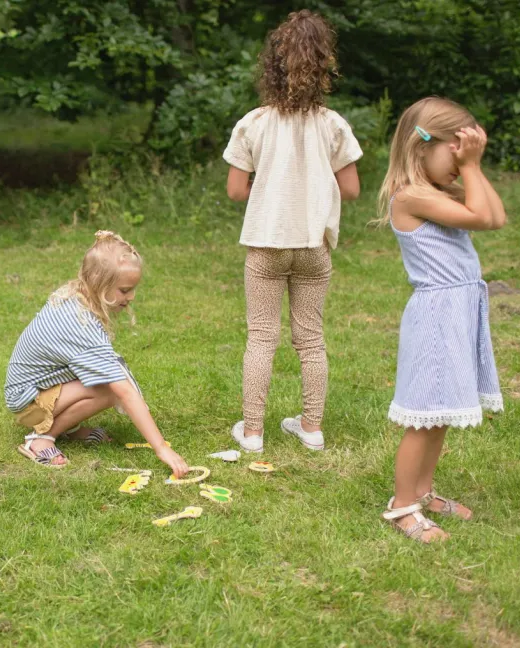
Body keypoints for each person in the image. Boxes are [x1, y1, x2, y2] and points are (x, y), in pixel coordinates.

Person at [223, 10, 362, 454]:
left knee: (262, 337)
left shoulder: (254, 123)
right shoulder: (332, 124)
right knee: (311, 339)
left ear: (273, 66)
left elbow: (234, 191)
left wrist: (268, 187)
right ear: (324, 66)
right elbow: (353, 189)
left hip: (266, 244)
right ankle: (312, 427)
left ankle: (253, 432)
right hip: (313, 246)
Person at [377, 96, 507, 543]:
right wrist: (470, 169)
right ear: (420, 147)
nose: (460, 166)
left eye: (464, 158)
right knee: (423, 417)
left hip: (457, 312)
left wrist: (471, 166)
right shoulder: (411, 197)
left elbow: (496, 216)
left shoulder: (436, 192)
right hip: (436, 316)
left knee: (441, 413)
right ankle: (402, 506)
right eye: (453, 156)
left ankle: (424, 491)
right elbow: (481, 218)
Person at [4, 231, 189, 478]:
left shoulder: (76, 297)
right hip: (26, 403)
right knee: (109, 389)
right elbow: (122, 389)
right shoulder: (80, 326)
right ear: (99, 284)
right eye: (125, 290)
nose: (131, 297)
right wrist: (161, 448)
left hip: (38, 388)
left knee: (110, 377)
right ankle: (41, 440)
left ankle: (67, 428)